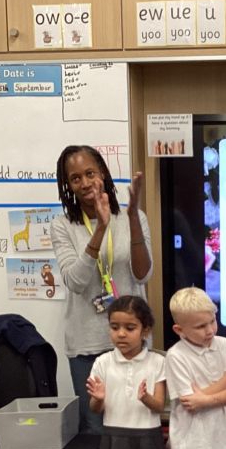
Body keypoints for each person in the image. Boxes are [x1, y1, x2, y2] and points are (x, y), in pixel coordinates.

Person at [52, 145, 154, 434]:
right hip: (87, 346)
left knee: (136, 424)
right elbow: (75, 281)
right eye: (75, 178)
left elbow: (143, 274)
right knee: (96, 430)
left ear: (103, 174)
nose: (84, 183)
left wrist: (131, 219)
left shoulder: (134, 217)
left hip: (132, 340)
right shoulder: (62, 226)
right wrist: (100, 228)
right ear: (67, 185)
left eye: (90, 173)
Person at [165, 287, 226, 449]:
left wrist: (204, 399)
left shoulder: (225, 345)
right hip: (189, 445)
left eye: (212, 321)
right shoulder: (175, 355)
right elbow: (191, 403)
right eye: (201, 326)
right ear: (179, 330)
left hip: (221, 442)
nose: (210, 330)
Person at [87, 296, 166, 449]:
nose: (121, 334)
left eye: (130, 328)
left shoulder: (158, 361)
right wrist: (98, 399)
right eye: (114, 327)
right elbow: (95, 409)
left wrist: (146, 398)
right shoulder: (102, 362)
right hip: (113, 434)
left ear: (145, 331)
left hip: (148, 435)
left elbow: (159, 406)